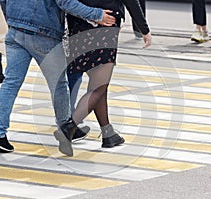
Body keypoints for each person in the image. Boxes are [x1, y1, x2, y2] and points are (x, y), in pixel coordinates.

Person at [0, 0, 116, 153]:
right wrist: (97, 14)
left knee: (10, 83)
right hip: (44, 32)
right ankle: (66, 128)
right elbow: (65, 2)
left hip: (16, 29)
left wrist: (12, 19)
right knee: (59, 85)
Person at [54, 0, 152, 157]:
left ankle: (108, 133)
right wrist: (144, 29)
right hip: (106, 24)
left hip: (79, 23)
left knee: (99, 84)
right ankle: (69, 127)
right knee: (98, 88)